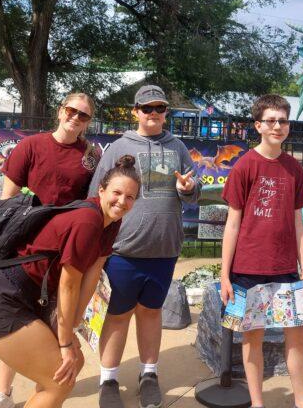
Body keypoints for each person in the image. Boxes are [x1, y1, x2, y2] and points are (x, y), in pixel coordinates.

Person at [0, 155, 141, 408]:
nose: (122, 201)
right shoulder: (87, 221)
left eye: (130, 197)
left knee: (71, 366)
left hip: (27, 298)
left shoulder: (112, 222)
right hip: (0, 299)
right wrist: (65, 342)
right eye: (117, 193)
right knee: (59, 378)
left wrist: (71, 330)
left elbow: (92, 276)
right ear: (101, 190)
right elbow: (69, 284)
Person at [0, 93, 100, 408]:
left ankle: (43, 390)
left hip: (63, 254)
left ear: (89, 122)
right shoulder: (31, 146)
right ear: (60, 111)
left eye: (84, 115)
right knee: (18, 320)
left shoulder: (90, 157)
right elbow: (7, 201)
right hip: (24, 249)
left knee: (49, 320)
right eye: (72, 111)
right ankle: (3, 392)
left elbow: (93, 203)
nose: (76, 118)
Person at [88, 85, 201, 408]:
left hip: (164, 250)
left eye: (160, 108)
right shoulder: (118, 147)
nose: (153, 114)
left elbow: (191, 194)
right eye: (147, 108)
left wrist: (188, 188)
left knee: (152, 313)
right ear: (135, 111)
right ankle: (108, 379)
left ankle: (148, 374)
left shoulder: (177, 146)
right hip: (122, 251)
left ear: (166, 113)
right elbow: (98, 195)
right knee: (117, 315)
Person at [220, 94, 303, 408]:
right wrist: (224, 275)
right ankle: (257, 403)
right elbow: (232, 224)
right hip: (248, 270)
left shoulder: (294, 170)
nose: (278, 126)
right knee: (253, 339)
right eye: (271, 120)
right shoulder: (245, 166)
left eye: (283, 120)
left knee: (297, 338)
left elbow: (298, 222)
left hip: (287, 269)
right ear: (258, 125)